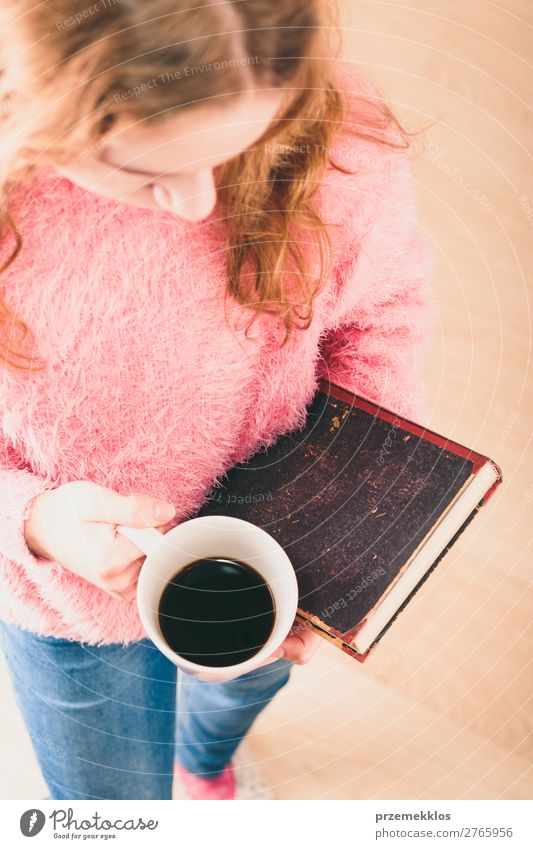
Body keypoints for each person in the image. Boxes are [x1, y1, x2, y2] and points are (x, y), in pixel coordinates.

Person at [0, 0, 434, 800]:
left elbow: (381, 320)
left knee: (237, 693)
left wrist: (331, 525)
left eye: (234, 150)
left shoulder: (340, 136)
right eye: (145, 172)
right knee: (110, 804)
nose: (201, 205)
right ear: (38, 105)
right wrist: (29, 517)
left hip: (272, 558)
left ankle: (203, 759)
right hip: (60, 604)